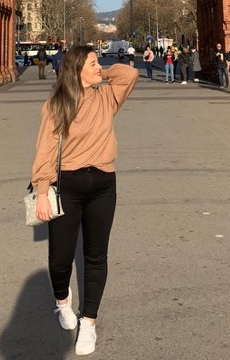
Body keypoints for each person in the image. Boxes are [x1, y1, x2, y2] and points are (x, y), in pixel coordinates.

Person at [31, 46, 137, 356]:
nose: (98, 66)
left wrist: (99, 71)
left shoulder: (107, 98)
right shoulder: (57, 104)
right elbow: (46, 149)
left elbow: (129, 73)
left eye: (98, 62)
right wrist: (41, 191)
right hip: (69, 185)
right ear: (76, 69)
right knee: (61, 257)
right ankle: (62, 301)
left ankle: (88, 322)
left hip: (104, 183)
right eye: (92, 63)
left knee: (96, 255)